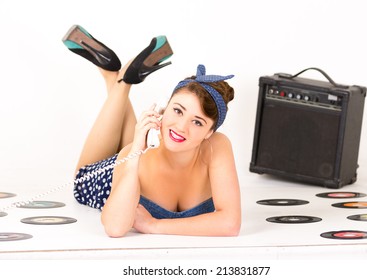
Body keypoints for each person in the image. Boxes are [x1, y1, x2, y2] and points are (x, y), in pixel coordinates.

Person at [63, 25, 241, 237]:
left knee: (128, 124)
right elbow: (115, 228)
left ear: (210, 132)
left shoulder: (217, 146)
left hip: (147, 152)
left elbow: (230, 224)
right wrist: (136, 150)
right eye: (177, 111)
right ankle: (117, 80)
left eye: (197, 122)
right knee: (80, 179)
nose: (181, 127)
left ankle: (117, 79)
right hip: (123, 170)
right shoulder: (133, 152)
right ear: (163, 108)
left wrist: (153, 226)